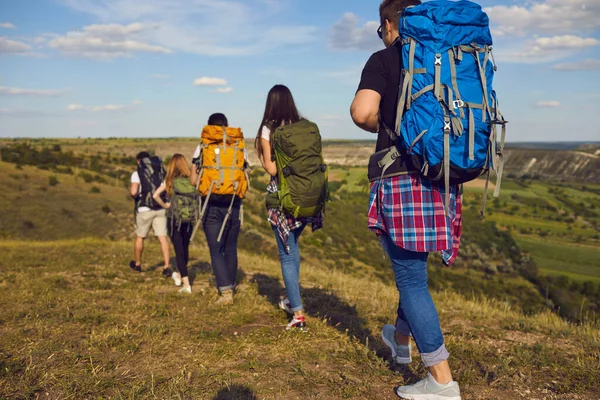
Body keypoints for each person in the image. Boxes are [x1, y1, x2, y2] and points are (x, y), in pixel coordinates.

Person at [350, 0, 463, 399]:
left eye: (380, 28)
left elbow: (362, 112)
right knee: (412, 270)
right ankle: (400, 340)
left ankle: (442, 381)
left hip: (401, 178)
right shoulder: (446, 57)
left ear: (388, 23)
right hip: (444, 175)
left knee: (411, 279)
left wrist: (385, 122)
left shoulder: (386, 57)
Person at [255, 84, 324, 331]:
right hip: (307, 197)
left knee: (286, 254)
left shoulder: (269, 128)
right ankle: (291, 299)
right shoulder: (304, 124)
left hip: (282, 200)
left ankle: (298, 315)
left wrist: (262, 157)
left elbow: (272, 170)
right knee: (292, 249)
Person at [190, 113, 244, 305]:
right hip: (234, 202)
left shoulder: (203, 146)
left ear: (209, 127)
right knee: (230, 248)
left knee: (215, 249)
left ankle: (225, 292)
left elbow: (193, 180)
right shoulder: (237, 145)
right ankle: (231, 284)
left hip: (210, 203)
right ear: (226, 126)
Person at [152, 154, 195, 294]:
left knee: (178, 251)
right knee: (185, 247)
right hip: (189, 219)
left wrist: (165, 205)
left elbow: (155, 195)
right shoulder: (191, 180)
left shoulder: (169, 180)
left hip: (174, 219)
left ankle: (186, 285)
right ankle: (178, 274)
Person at [129, 151, 172, 278]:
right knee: (163, 238)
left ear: (138, 161)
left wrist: (135, 196)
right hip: (160, 207)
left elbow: (133, 192)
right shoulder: (159, 172)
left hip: (144, 209)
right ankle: (166, 267)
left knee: (140, 237)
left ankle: (137, 264)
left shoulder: (137, 174)